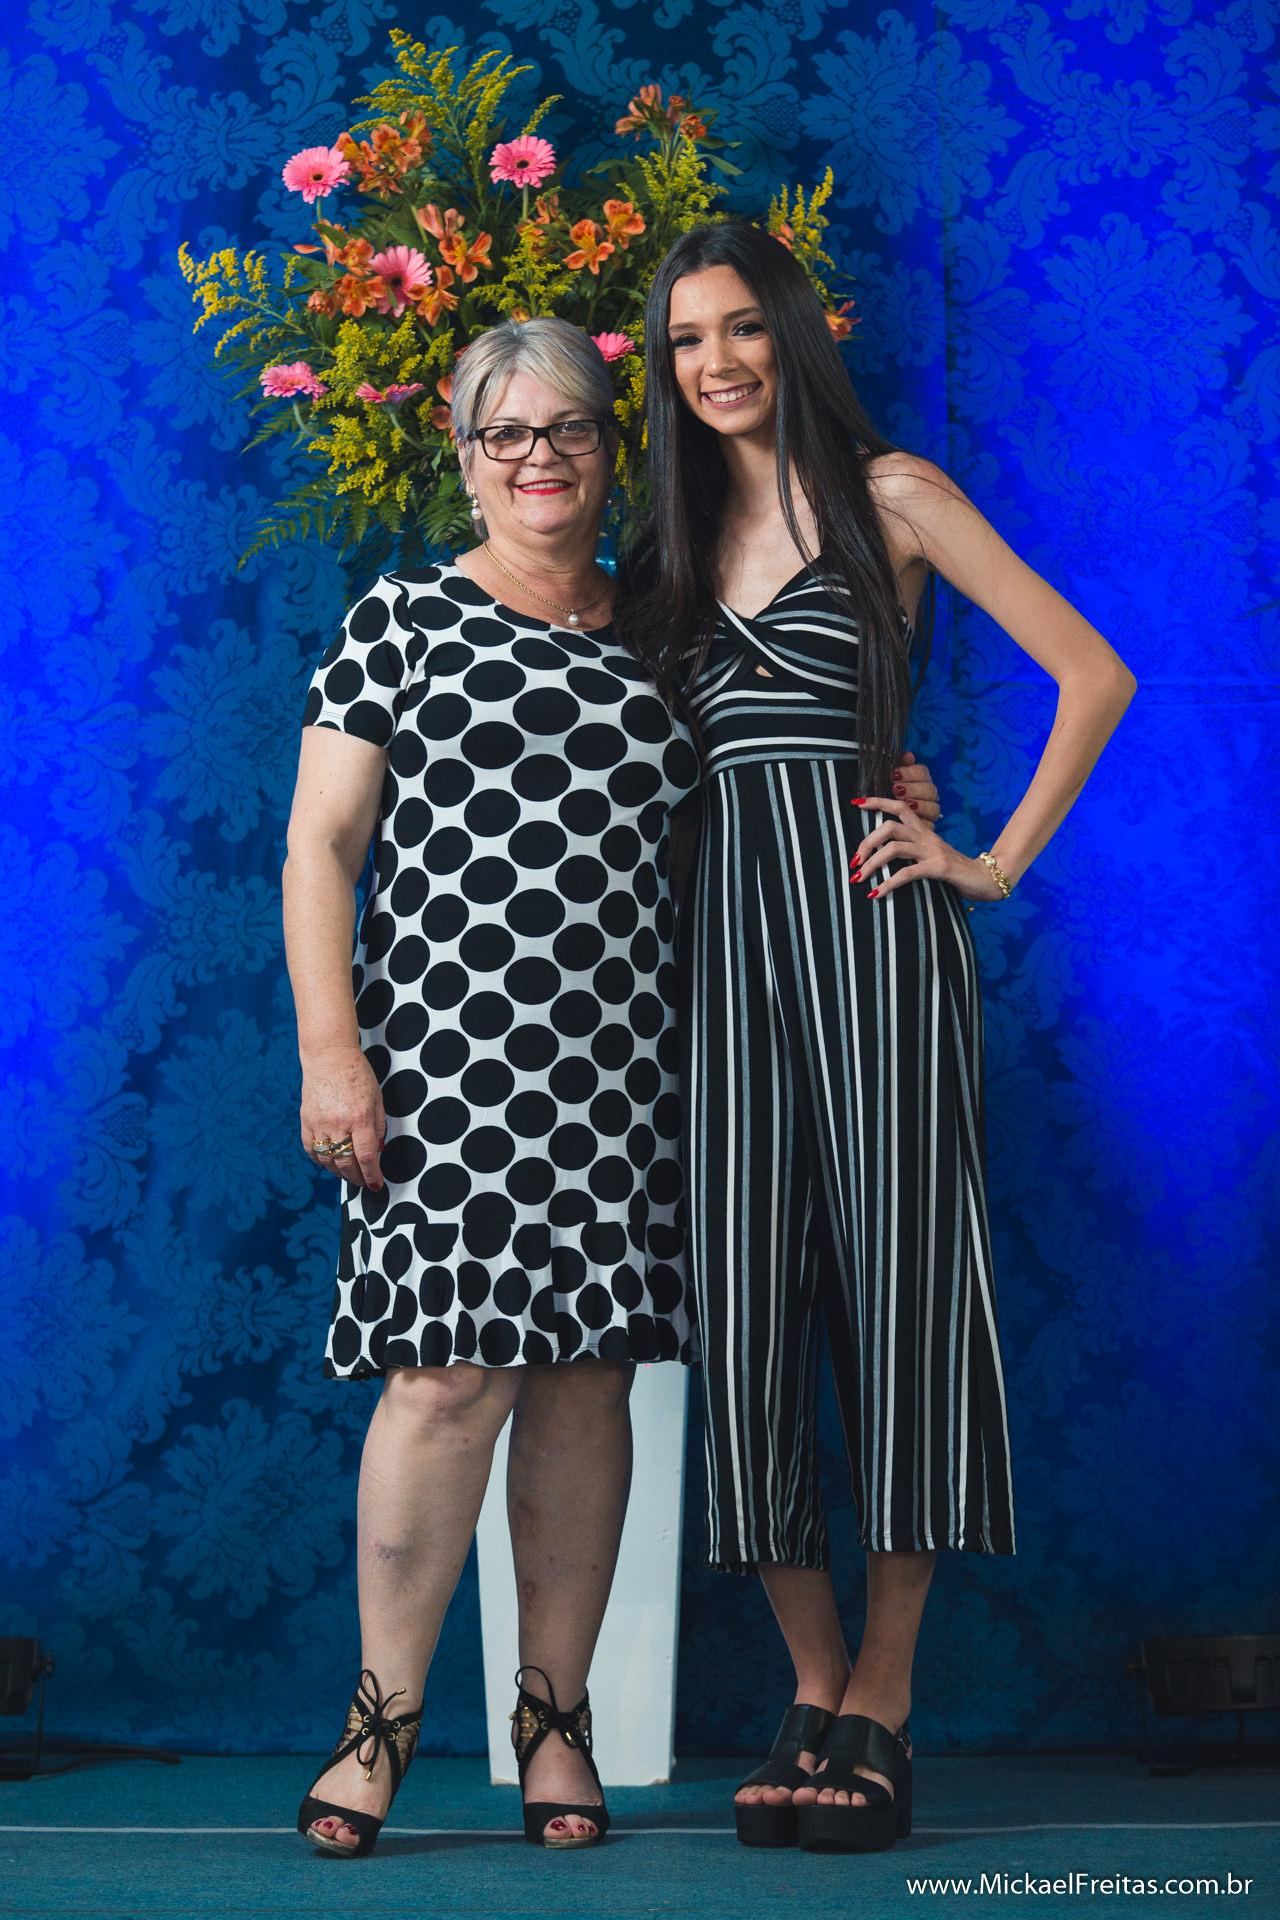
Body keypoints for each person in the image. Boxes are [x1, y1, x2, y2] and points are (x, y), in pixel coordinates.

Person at [618, 218, 1137, 1854]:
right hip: (717, 971)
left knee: (905, 1304)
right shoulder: (666, 544)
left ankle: (887, 1699)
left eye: (740, 327)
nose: (716, 361)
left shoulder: (891, 496)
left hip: (875, 953)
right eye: (685, 338)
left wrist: (985, 858)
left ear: (793, 333)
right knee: (750, 1317)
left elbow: (1093, 673)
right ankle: (812, 1684)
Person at [283, 316, 712, 1856]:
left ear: (612, 448)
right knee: (447, 1378)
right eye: (506, 433)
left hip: (623, 1071)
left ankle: (555, 1721)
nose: (541, 456)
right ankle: (381, 1725)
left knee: (590, 1380)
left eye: (570, 428)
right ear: (465, 459)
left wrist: (901, 788)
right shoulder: (401, 619)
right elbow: (321, 845)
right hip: (443, 1070)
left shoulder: (672, 633)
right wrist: (333, 1051)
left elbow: (764, 794)